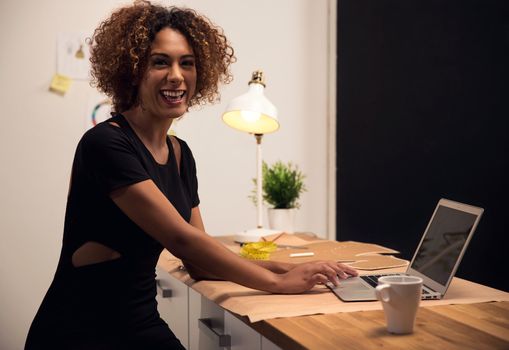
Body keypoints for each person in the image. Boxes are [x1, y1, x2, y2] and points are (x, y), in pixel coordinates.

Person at [25, 1, 358, 349]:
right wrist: (278, 284)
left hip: (138, 320)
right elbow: (183, 240)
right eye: (159, 62)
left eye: (187, 63)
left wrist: (281, 268)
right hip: (79, 329)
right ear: (132, 72)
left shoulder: (180, 154)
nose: (176, 75)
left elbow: (199, 260)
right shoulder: (105, 143)